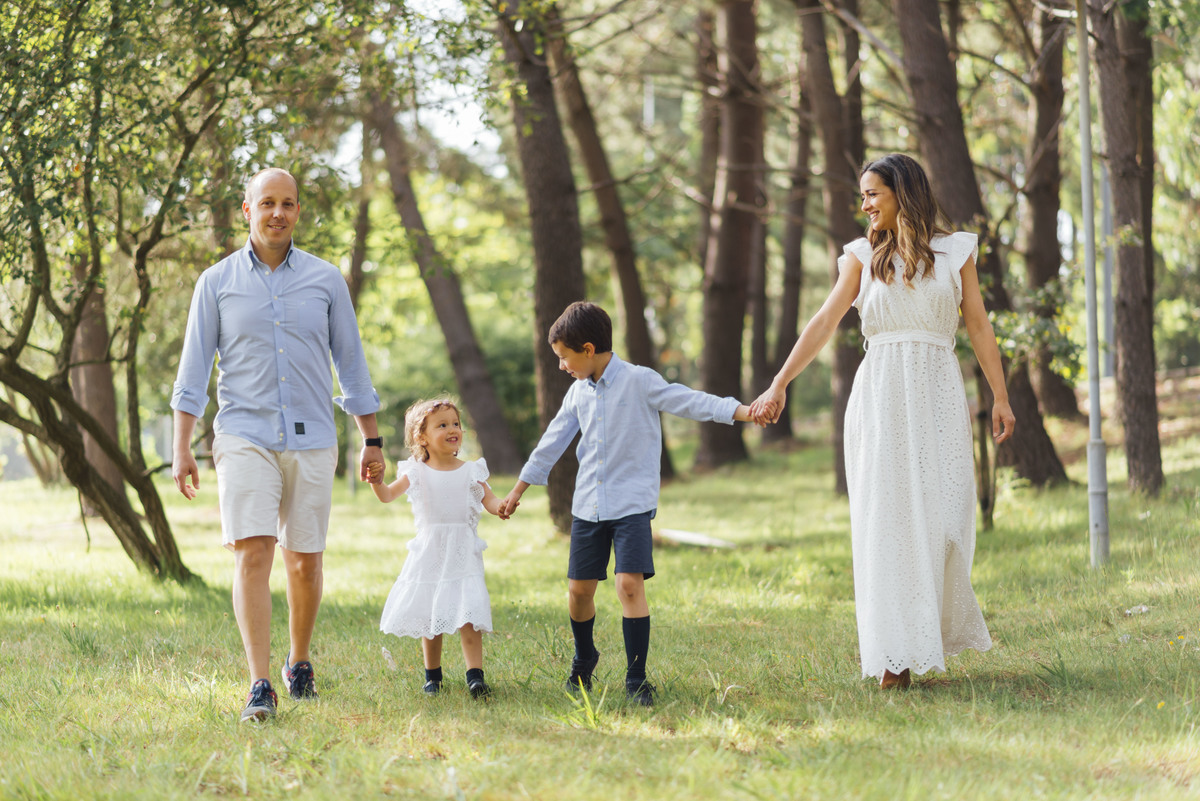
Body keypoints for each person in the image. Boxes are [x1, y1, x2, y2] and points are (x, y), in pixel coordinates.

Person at [751, 153, 1015, 689]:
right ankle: (894, 659)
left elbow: (979, 326)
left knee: (942, 519)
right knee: (887, 523)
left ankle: (923, 636)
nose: (865, 204)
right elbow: (823, 322)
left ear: (904, 192)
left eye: (873, 193)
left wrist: (1001, 396)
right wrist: (779, 383)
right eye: (863, 195)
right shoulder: (860, 256)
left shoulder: (955, 252)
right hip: (882, 398)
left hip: (938, 394)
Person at [171, 167, 383, 722]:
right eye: (267, 203)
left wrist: (372, 439)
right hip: (243, 434)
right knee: (253, 551)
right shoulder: (215, 282)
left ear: (297, 212)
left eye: (287, 204)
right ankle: (259, 683)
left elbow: (352, 365)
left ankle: (299, 661)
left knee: (305, 563)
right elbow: (193, 372)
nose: (278, 213)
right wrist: (182, 445)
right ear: (248, 209)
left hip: (312, 437)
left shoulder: (326, 280)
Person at [499, 301, 761, 706]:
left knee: (629, 585)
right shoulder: (577, 393)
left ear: (588, 349)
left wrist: (743, 412)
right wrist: (517, 490)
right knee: (579, 591)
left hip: (632, 504)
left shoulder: (639, 380)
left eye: (564, 357)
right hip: (588, 505)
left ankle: (636, 678)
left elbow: (690, 400)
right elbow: (551, 441)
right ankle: (584, 657)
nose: (561, 366)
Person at [367, 397, 502, 699]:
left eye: (455, 423)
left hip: (463, 553)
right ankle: (433, 677)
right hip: (430, 552)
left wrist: (502, 506)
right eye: (442, 425)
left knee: (469, 614)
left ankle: (475, 676)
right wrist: (376, 481)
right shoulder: (417, 472)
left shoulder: (472, 471)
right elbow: (387, 495)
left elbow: (490, 500)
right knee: (431, 617)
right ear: (422, 437)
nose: (452, 429)